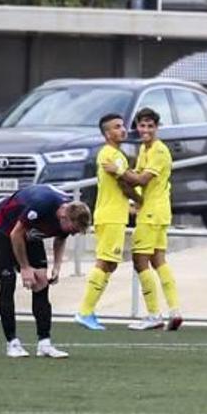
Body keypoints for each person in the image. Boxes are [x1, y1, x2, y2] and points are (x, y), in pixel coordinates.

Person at [0, 184, 91, 357]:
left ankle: (44, 344)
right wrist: (24, 267)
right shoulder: (42, 205)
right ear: (64, 217)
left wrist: (57, 266)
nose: (73, 234)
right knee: (8, 282)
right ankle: (12, 343)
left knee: (41, 281)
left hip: (30, 231)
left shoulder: (68, 215)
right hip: (4, 227)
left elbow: (61, 237)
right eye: (73, 230)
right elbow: (16, 234)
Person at [104, 108, 182, 331]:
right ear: (137, 127)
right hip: (156, 210)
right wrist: (133, 198)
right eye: (142, 125)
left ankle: (154, 314)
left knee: (140, 260)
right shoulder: (144, 148)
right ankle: (175, 311)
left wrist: (118, 170)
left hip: (152, 212)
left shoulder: (159, 151)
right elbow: (136, 177)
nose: (145, 130)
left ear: (157, 128)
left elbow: (142, 178)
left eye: (150, 126)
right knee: (158, 259)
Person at [75, 113, 141, 330]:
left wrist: (129, 207)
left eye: (122, 126)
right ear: (106, 133)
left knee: (110, 264)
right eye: (116, 127)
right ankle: (84, 311)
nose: (122, 130)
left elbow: (117, 189)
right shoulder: (111, 154)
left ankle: (88, 310)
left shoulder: (115, 154)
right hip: (110, 217)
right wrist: (141, 200)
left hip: (114, 215)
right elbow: (125, 184)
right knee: (104, 262)